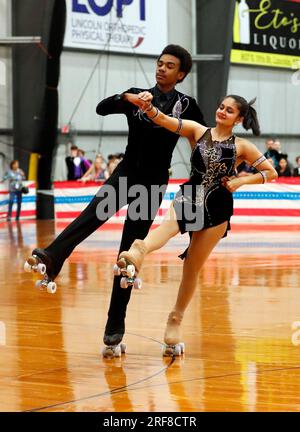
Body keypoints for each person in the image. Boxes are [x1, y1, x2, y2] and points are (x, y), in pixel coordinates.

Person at [24, 44, 206, 356]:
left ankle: (114, 323)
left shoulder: (187, 105)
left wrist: (202, 175)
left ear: (181, 74)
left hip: (152, 184)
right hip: (125, 175)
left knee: (128, 254)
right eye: (160, 63)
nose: (162, 68)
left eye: (169, 65)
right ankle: (52, 257)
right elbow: (101, 109)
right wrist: (125, 98)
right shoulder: (136, 94)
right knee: (91, 215)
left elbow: (201, 138)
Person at [115, 92, 278, 355]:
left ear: (238, 119)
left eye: (229, 110)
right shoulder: (197, 130)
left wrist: (241, 181)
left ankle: (175, 320)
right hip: (192, 193)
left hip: (218, 205)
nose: (222, 111)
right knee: (168, 227)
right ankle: (138, 250)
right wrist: (150, 109)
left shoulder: (242, 147)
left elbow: (271, 172)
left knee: (192, 267)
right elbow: (168, 121)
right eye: (221, 106)